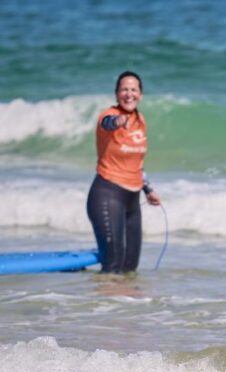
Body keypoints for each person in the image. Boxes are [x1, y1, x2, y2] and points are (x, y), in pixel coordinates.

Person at [87, 71, 161, 273]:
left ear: (141, 94)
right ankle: (100, 303)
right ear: (117, 94)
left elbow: (138, 161)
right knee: (112, 265)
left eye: (133, 90)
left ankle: (123, 305)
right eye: (124, 90)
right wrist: (118, 122)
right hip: (107, 194)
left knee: (130, 267)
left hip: (132, 200)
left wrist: (148, 189)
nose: (129, 94)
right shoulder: (109, 115)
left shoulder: (140, 120)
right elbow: (107, 123)